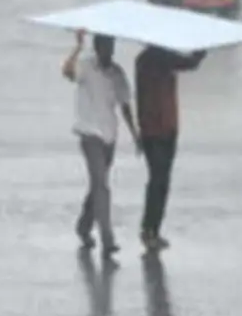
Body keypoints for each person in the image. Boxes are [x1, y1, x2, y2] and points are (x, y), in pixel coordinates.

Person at [62, 30, 140, 260]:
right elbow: (67, 72)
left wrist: (135, 135)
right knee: (102, 186)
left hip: (109, 135)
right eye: (105, 47)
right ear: (97, 48)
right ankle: (108, 238)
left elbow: (125, 105)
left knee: (98, 185)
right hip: (89, 134)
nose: (108, 51)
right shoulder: (86, 66)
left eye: (111, 47)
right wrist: (77, 47)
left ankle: (84, 225)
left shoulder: (117, 73)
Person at [135, 46, 206, 250]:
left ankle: (152, 229)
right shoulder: (151, 60)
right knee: (159, 180)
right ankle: (149, 229)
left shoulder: (155, 58)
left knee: (161, 180)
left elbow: (191, 63)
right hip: (155, 130)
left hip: (166, 128)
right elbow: (190, 63)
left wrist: (201, 50)